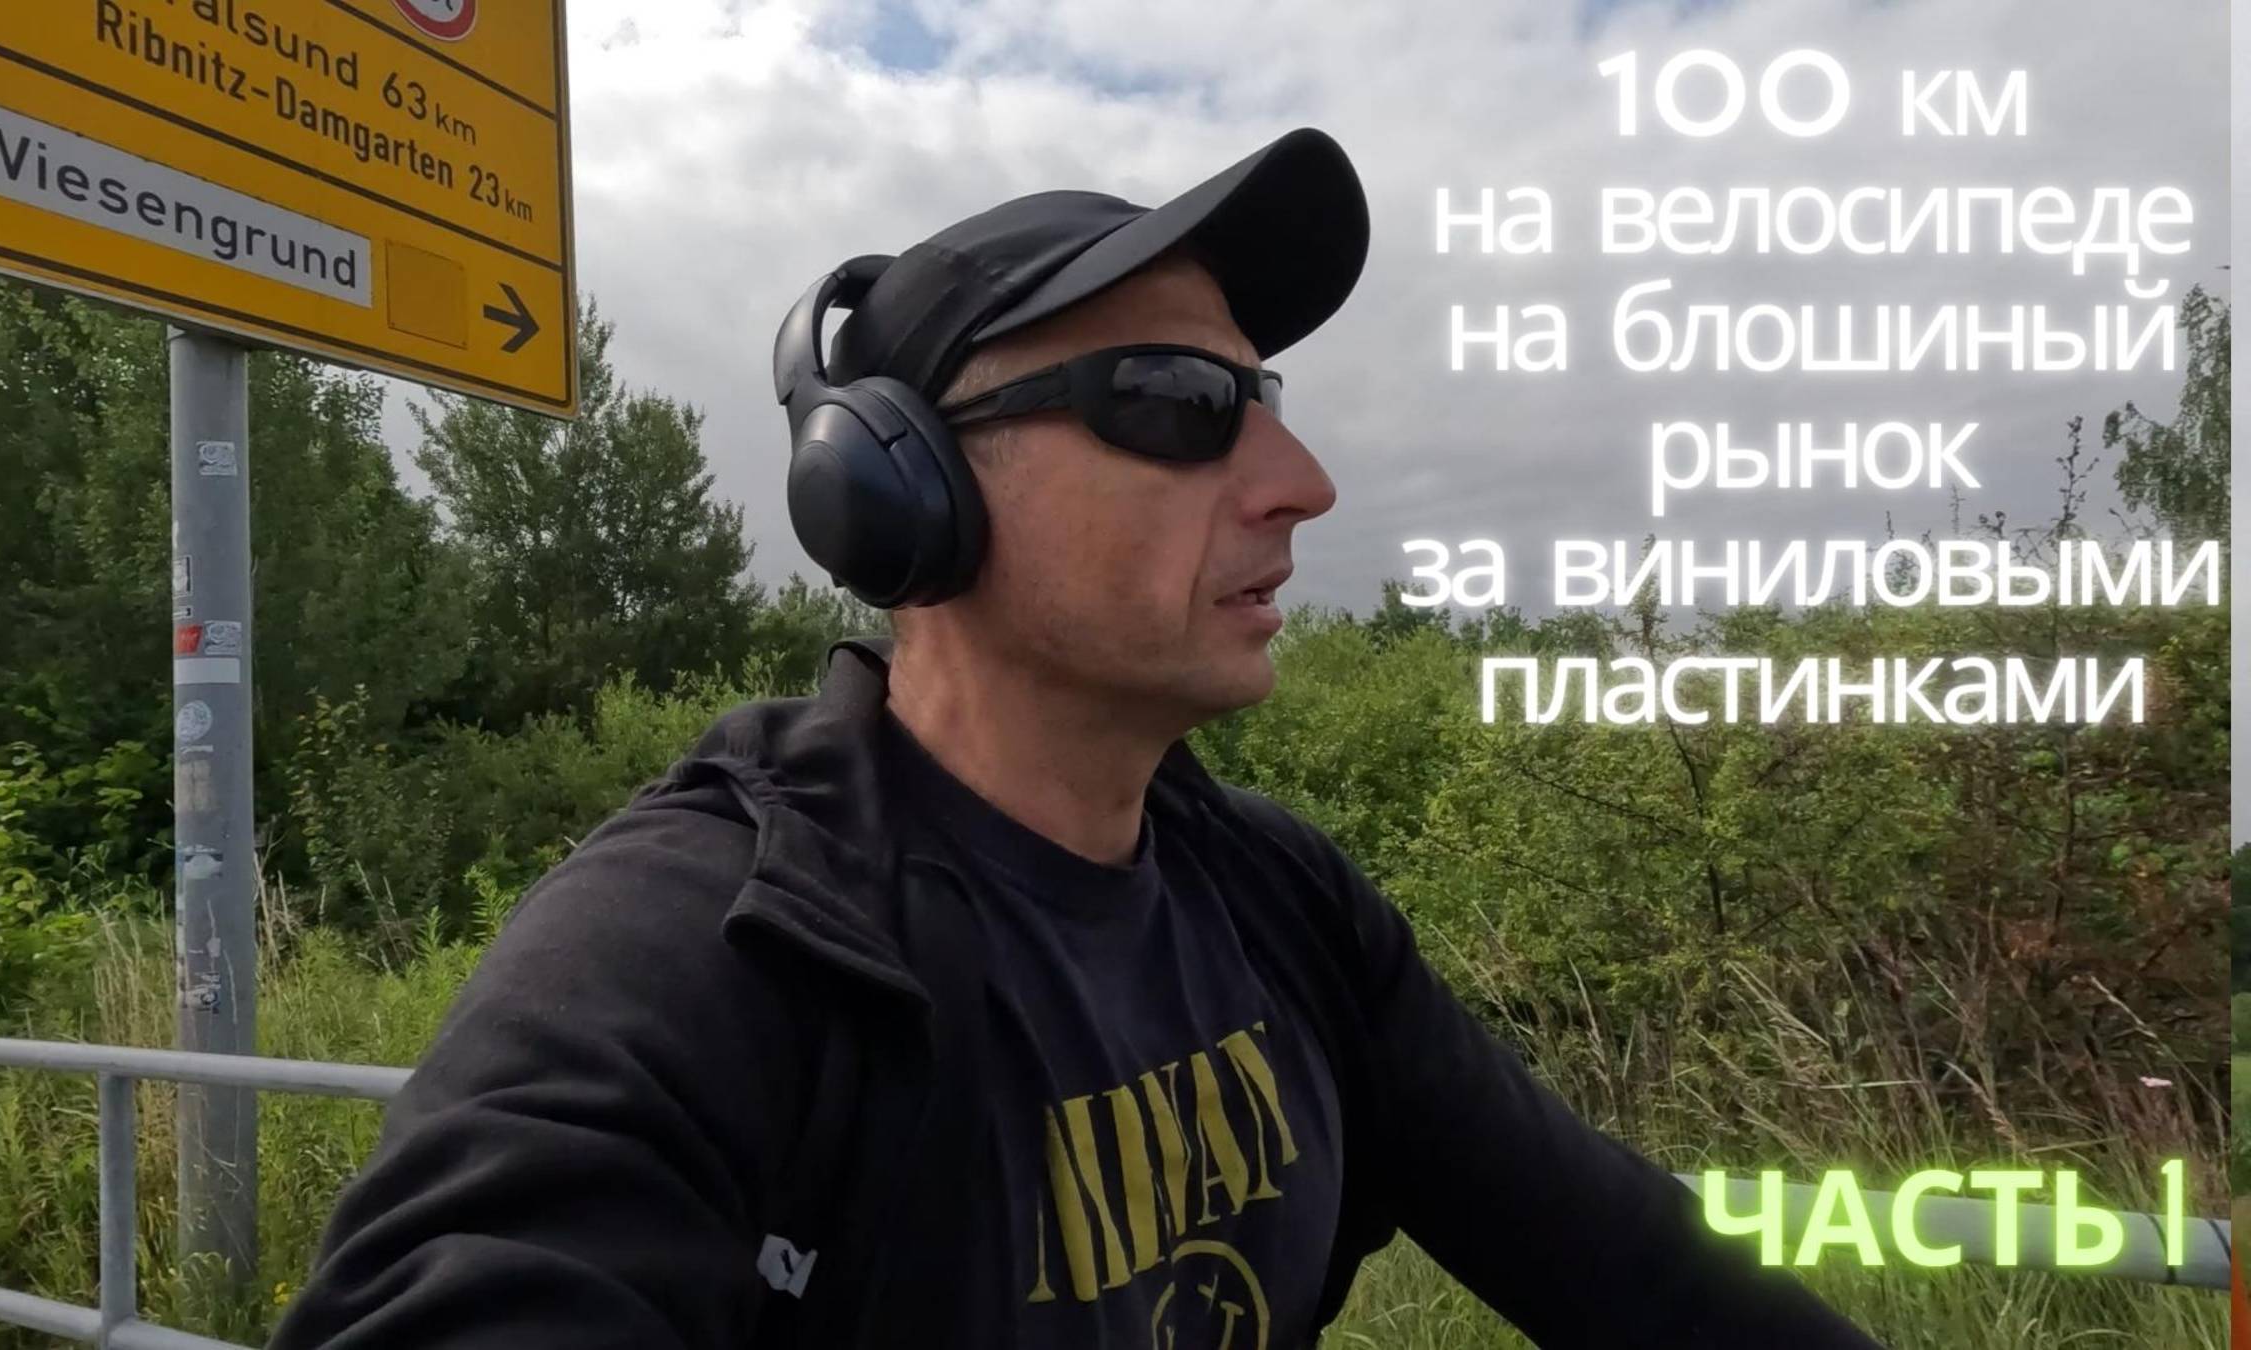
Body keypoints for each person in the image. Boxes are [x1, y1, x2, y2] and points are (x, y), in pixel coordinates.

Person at [269, 127, 1882, 1349]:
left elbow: (1638, 1266)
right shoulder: (710, 947)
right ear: (898, 484)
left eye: (1267, 400)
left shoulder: (1285, 906)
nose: (1301, 482)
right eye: (1181, 401)